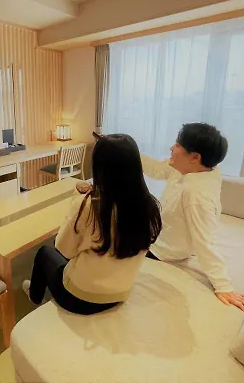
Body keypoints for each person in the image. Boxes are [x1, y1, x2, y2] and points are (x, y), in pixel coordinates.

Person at [22, 133, 162, 315]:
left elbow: (63, 249)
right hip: (121, 292)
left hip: (81, 298)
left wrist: (78, 200)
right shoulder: (150, 206)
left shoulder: (89, 206)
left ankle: (34, 296)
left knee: (45, 253)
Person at [143, 122, 244, 313]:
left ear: (195, 157)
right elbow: (157, 169)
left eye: (178, 145)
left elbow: (205, 241)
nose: (171, 148)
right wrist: (127, 151)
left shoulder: (197, 195)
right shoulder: (194, 169)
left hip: (161, 250)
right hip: (159, 229)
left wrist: (223, 286)